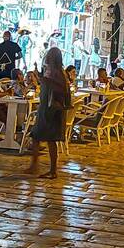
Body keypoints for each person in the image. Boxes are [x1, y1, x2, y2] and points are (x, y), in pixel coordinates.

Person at [26, 46, 71, 179]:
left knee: (50, 140)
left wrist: (43, 80)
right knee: (36, 136)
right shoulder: (55, 72)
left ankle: (52, 170)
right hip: (46, 109)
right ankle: (35, 165)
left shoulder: (57, 73)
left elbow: (57, 89)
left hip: (51, 111)